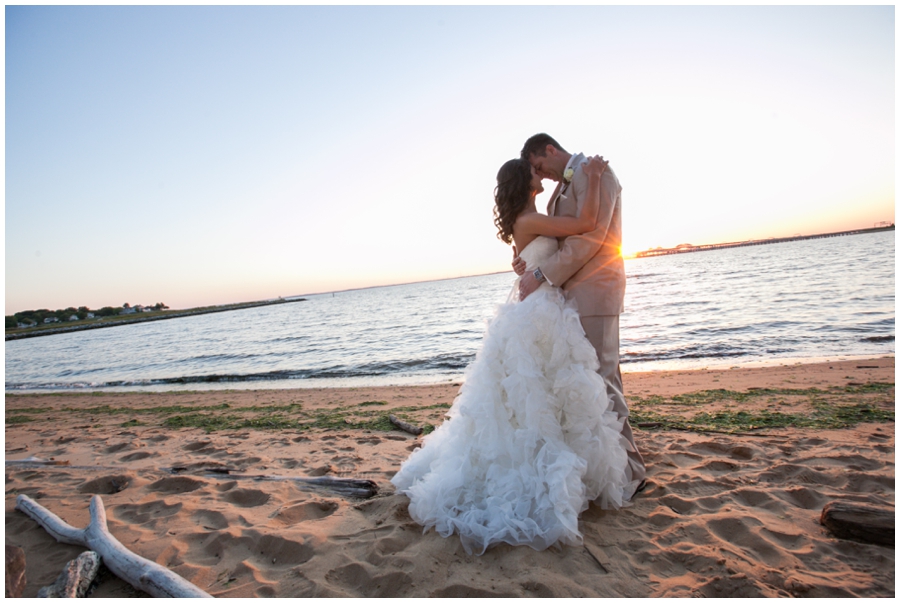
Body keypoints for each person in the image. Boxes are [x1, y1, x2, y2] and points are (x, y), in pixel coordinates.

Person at [391, 155, 640, 556]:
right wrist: (593, 178)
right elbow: (587, 225)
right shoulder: (530, 221)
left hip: (549, 307)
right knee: (540, 395)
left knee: (550, 394)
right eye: (533, 172)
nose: (539, 175)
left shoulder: (531, 218)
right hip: (542, 313)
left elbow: (545, 251)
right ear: (524, 182)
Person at [514, 133, 646, 491]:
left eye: (540, 165)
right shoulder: (564, 188)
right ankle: (611, 469)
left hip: (596, 289)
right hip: (572, 295)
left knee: (604, 379)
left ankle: (631, 474)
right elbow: (555, 240)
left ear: (550, 150)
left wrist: (541, 272)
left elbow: (594, 237)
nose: (543, 176)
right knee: (592, 381)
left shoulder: (592, 172)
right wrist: (527, 260)